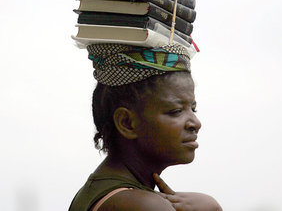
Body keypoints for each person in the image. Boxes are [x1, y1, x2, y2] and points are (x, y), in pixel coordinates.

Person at [68, 43, 222, 211]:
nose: (196, 123)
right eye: (176, 111)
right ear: (127, 123)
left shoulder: (99, 193)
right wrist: (212, 208)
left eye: (193, 109)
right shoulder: (143, 205)